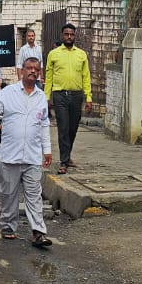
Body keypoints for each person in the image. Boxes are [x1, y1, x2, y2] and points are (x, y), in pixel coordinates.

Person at [0, 58, 53, 247]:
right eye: (29, 68)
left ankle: (38, 232)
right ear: (22, 71)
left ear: (39, 73)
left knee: (34, 195)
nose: (33, 71)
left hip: (32, 156)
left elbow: (43, 124)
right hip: (10, 155)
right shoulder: (8, 92)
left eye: (36, 69)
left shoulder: (41, 96)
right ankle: (8, 225)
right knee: (9, 193)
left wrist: (47, 150)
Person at [45, 23, 91, 175]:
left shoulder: (81, 54)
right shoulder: (54, 54)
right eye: (66, 34)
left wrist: (88, 97)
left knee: (73, 128)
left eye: (71, 34)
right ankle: (64, 162)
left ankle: (67, 154)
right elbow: (49, 76)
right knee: (63, 128)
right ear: (62, 35)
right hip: (60, 95)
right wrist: (46, 96)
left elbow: (86, 76)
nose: (69, 37)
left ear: (74, 36)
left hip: (76, 95)